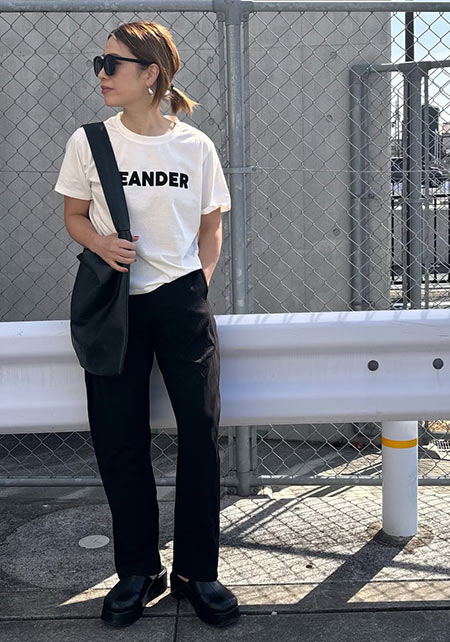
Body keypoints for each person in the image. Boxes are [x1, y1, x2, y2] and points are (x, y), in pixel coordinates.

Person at [54, 20, 240, 629]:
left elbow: (211, 224)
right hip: (117, 304)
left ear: (151, 74)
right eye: (101, 64)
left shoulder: (196, 146)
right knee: (119, 437)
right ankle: (137, 571)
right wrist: (101, 243)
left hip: (182, 302)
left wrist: (198, 282)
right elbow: (74, 215)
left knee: (200, 433)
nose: (102, 75)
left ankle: (196, 573)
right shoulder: (89, 142)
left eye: (113, 64)